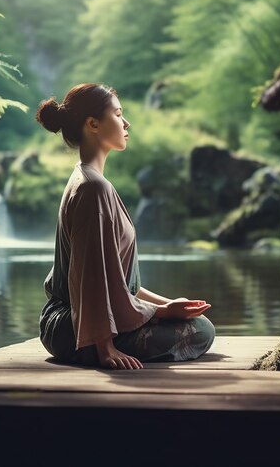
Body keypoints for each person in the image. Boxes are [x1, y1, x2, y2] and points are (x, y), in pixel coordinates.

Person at [35, 82, 215, 370]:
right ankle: (99, 345)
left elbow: (119, 284)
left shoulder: (90, 181)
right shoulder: (93, 188)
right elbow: (89, 279)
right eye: (118, 114)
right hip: (76, 329)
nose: (126, 122)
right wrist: (105, 349)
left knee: (194, 321)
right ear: (93, 124)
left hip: (76, 321)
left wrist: (168, 306)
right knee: (201, 332)